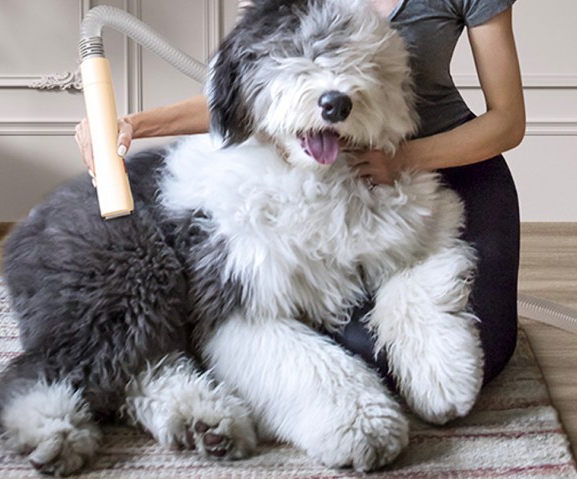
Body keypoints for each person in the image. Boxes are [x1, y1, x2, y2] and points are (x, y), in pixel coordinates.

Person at [75, 0, 525, 386]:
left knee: (484, 351)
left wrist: (405, 157)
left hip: (455, 164)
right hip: (344, 175)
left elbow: (508, 121)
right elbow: (247, 88)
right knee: (370, 353)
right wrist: (134, 125)